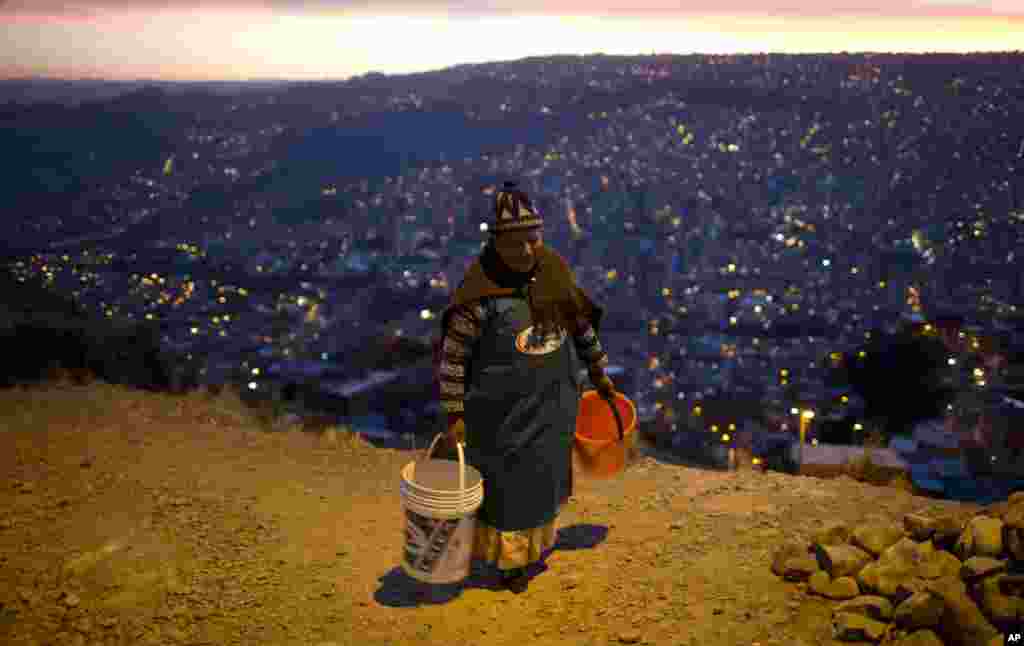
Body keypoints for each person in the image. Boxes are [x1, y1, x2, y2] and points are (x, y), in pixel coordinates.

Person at [434, 180, 617, 594]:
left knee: (543, 482)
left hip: (554, 408)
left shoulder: (554, 274)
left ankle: (531, 553)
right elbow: (453, 360)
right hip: (501, 418)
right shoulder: (480, 295)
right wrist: (456, 414)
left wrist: (601, 376)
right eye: (514, 243)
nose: (526, 251)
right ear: (496, 243)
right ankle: (510, 563)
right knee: (508, 490)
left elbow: (582, 329)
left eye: (532, 240)